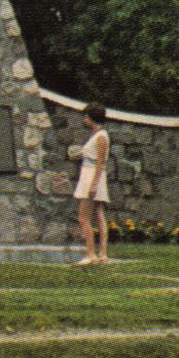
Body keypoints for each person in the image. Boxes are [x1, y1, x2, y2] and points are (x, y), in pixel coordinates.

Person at [69, 102, 110, 265]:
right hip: (89, 173)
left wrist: (93, 184)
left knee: (83, 218)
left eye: (86, 116)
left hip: (92, 176)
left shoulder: (101, 136)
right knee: (98, 215)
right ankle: (102, 254)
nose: (84, 119)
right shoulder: (97, 135)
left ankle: (91, 254)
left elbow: (100, 162)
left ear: (92, 118)